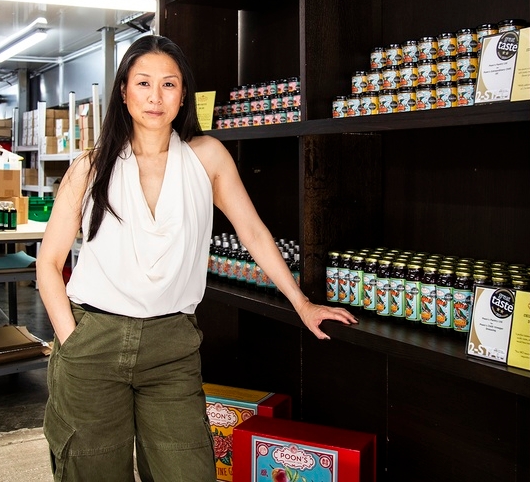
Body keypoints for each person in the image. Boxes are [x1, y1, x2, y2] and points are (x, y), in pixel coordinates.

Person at [36, 35, 357, 481]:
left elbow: (253, 233)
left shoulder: (206, 157)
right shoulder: (90, 166)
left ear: (184, 93)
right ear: (123, 91)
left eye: (168, 84)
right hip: (94, 337)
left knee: (188, 470)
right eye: (143, 83)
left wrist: (302, 303)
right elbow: (49, 262)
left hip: (171, 344)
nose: (155, 96)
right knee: (93, 471)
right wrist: (71, 341)